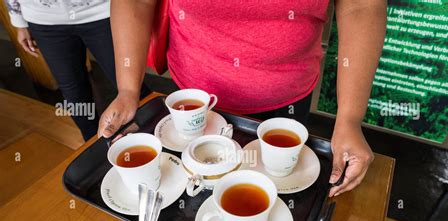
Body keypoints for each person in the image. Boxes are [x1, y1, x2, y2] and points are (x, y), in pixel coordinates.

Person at [99, 0, 387, 197]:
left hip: (285, 103)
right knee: (191, 193)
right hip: (192, 100)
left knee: (270, 192)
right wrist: (127, 91)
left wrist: (350, 118)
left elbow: (361, 5)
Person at [5, 0, 116, 141]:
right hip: (43, 19)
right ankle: (95, 145)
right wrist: (19, 21)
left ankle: (148, 139)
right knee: (74, 94)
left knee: (128, 82)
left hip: (103, 10)